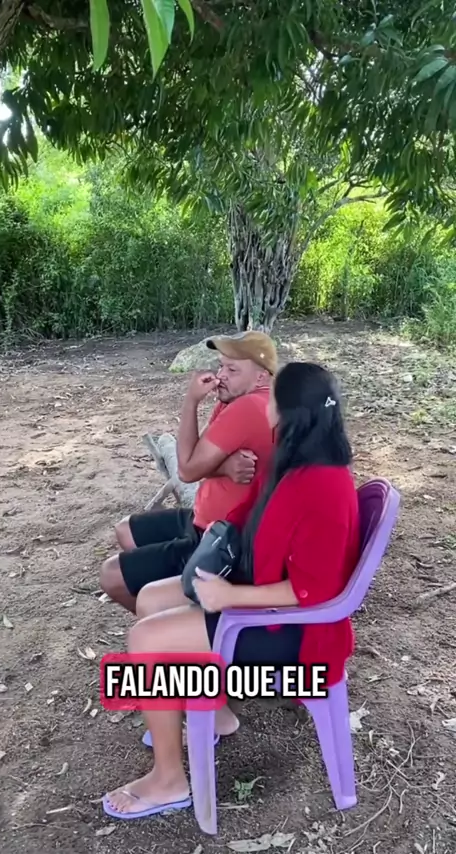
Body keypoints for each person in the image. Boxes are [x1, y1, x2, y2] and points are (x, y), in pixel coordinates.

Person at [102, 361, 361, 821]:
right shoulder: (294, 456)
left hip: (296, 635)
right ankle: (213, 710)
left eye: (274, 396)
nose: (266, 401)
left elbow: (315, 590)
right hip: (258, 589)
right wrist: (212, 554)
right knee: (150, 600)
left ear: (290, 411)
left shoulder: (324, 483)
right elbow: (253, 517)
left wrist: (228, 596)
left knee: (145, 639)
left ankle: (168, 780)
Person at [100, 331, 278, 613]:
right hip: (204, 519)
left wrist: (191, 400)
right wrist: (225, 467)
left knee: (112, 575)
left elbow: (186, 470)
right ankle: (169, 612)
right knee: (125, 531)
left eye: (232, 370)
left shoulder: (249, 406)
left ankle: (165, 623)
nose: (221, 375)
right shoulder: (236, 401)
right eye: (221, 366)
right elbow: (198, 457)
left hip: (221, 538)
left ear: (261, 377)